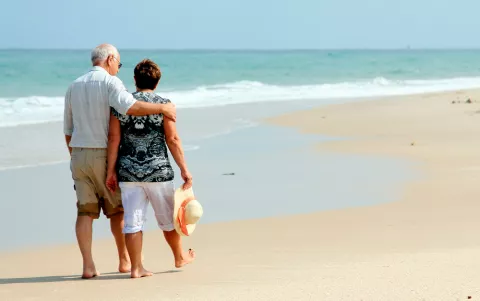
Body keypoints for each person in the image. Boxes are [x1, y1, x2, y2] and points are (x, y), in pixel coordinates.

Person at [63, 44, 177, 279]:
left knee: (85, 211)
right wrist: (163, 107)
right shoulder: (111, 83)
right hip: (103, 153)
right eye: (118, 63)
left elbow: (68, 129)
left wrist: (74, 156)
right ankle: (125, 261)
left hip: (78, 154)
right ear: (110, 59)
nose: (118, 68)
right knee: (117, 211)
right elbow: (131, 107)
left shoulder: (73, 86)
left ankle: (88, 266)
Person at [106, 59, 195, 278]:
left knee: (132, 222)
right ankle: (179, 257)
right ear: (156, 82)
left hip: (128, 172)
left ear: (135, 79)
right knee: (167, 219)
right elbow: (172, 139)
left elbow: (113, 138)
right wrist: (184, 168)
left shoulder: (122, 105)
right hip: (159, 172)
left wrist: (110, 171)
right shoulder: (164, 104)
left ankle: (136, 268)